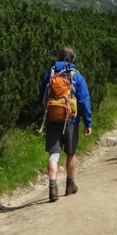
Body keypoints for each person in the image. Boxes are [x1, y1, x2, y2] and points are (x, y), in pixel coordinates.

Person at [38, 46, 92, 203]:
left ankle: (52, 188)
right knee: (71, 153)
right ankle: (70, 184)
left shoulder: (50, 75)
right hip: (71, 120)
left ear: (59, 57)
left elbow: (41, 97)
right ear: (72, 59)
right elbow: (84, 101)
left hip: (53, 119)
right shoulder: (77, 77)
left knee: (54, 154)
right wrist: (88, 122)